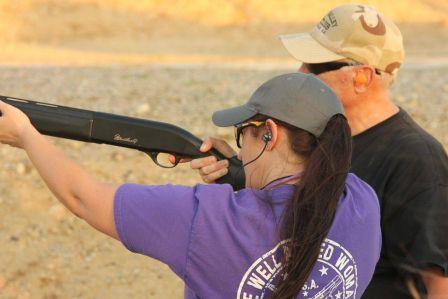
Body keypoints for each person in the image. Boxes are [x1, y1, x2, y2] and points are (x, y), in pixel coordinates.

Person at [0, 73, 381, 298]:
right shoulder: (362, 202)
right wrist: (238, 175)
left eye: (242, 133)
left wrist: (25, 135)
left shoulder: (207, 221)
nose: (238, 143)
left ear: (270, 134)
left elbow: (82, 198)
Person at [189, 4, 448, 298]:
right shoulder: (314, 135)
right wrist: (239, 168)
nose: (300, 73)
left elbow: (439, 282)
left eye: (315, 66)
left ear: (361, 77)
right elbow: (292, 205)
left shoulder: (416, 160)